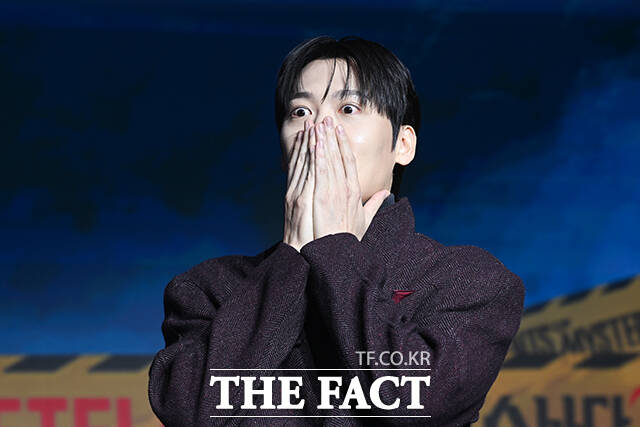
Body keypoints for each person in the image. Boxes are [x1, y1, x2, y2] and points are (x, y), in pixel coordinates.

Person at [148, 35, 525, 426]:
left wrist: (335, 249)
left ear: (403, 144)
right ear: (283, 152)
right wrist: (291, 260)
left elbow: (412, 399)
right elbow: (190, 412)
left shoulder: (466, 280)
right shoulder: (210, 288)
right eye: (300, 112)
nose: (319, 129)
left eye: (348, 108)